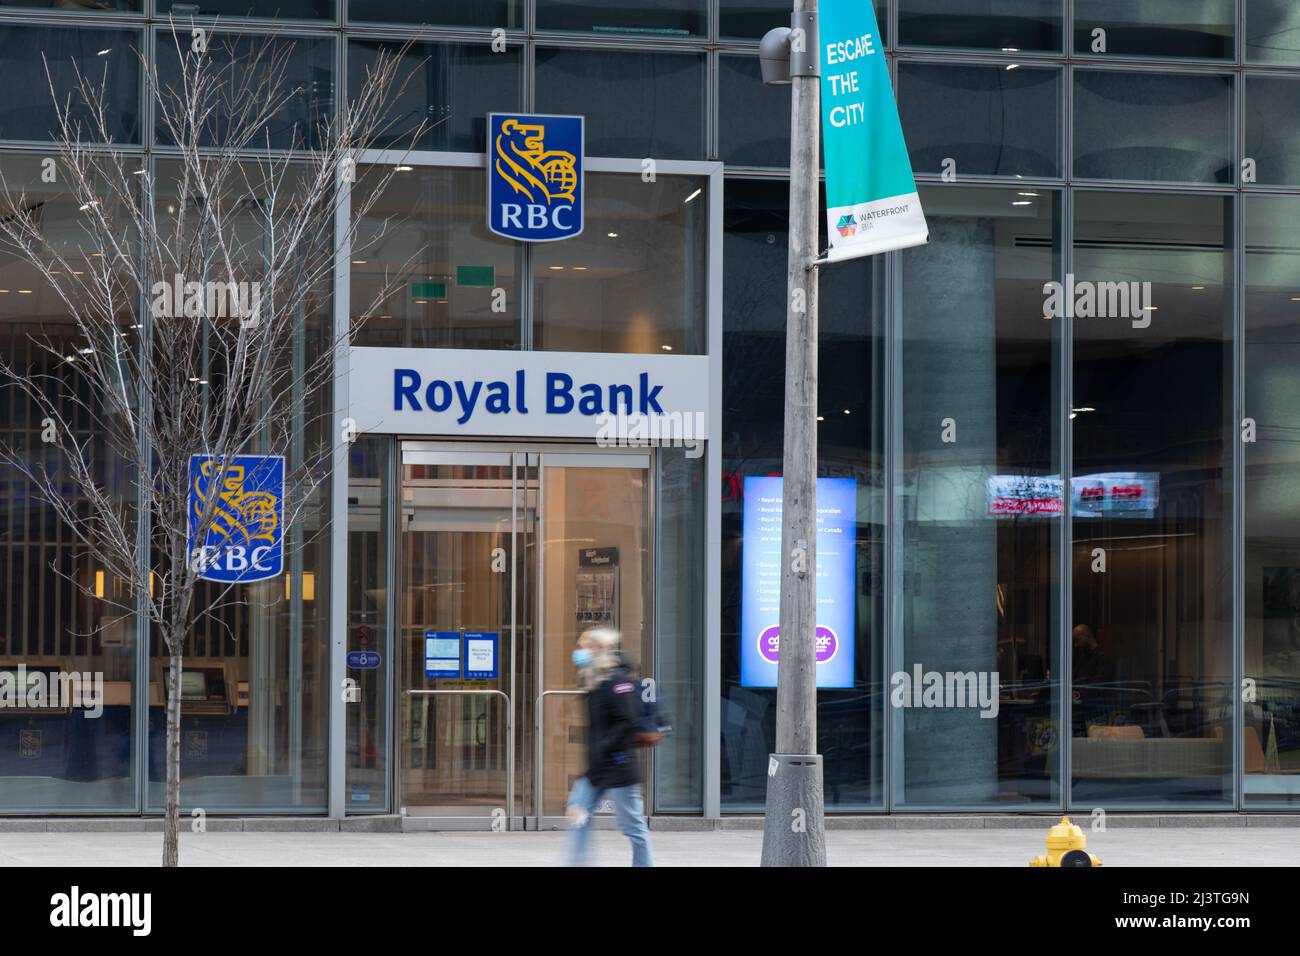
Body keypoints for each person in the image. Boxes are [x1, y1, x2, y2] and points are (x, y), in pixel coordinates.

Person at [565, 627, 653, 867]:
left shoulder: (617, 682)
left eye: (586, 648)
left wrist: (604, 747)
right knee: (577, 815)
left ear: (600, 650)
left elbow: (629, 721)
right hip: (596, 770)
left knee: (633, 826)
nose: (580, 652)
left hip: (619, 768)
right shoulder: (593, 683)